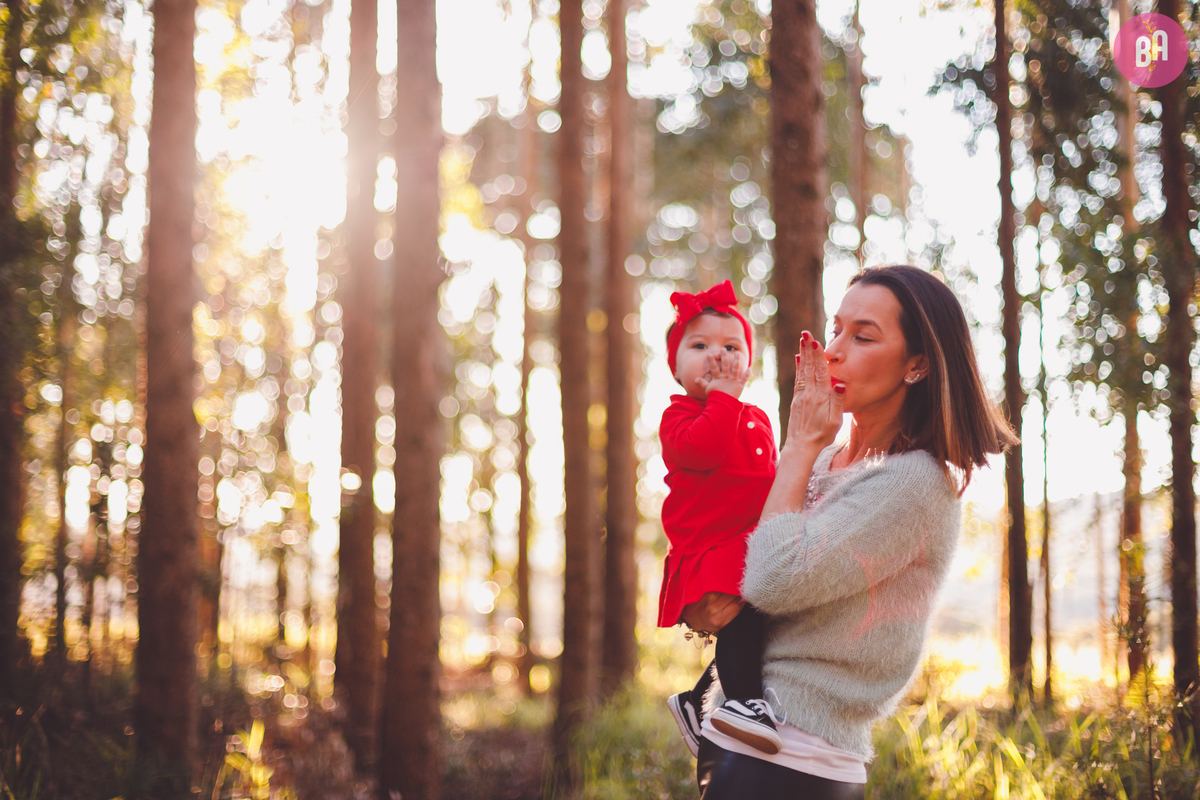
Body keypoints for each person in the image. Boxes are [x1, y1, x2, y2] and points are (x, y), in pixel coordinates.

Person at [682, 266, 1018, 798]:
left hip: (797, 762)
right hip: (733, 738)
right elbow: (742, 564)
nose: (833, 350)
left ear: (917, 365)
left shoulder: (912, 484)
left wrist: (795, 447)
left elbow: (771, 580)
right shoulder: (823, 462)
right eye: (835, 329)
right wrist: (699, 612)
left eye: (862, 336)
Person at [657, 280, 785, 756]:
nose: (717, 355)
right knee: (743, 620)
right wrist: (724, 398)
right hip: (712, 544)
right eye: (700, 345)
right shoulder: (679, 417)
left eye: (731, 347)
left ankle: (696, 701)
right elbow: (705, 448)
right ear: (675, 368)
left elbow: (770, 476)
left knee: (756, 624)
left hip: (749, 539)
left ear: (749, 363)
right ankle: (745, 703)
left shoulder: (754, 415)